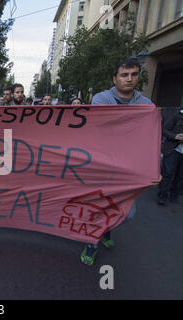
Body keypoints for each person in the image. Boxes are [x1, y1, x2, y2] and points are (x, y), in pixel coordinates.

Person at [80, 57, 156, 266]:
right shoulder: (100, 99)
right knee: (97, 206)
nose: (129, 79)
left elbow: (149, 139)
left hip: (128, 170)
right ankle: (92, 242)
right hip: (100, 165)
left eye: (133, 74)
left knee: (127, 214)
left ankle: (107, 228)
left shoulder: (147, 105)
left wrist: (153, 167)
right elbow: (104, 130)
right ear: (115, 79)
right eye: (124, 75)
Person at [157, 107, 183, 205]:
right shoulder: (176, 115)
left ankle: (174, 195)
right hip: (172, 150)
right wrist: (175, 136)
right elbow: (164, 129)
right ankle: (162, 196)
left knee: (180, 176)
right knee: (168, 173)